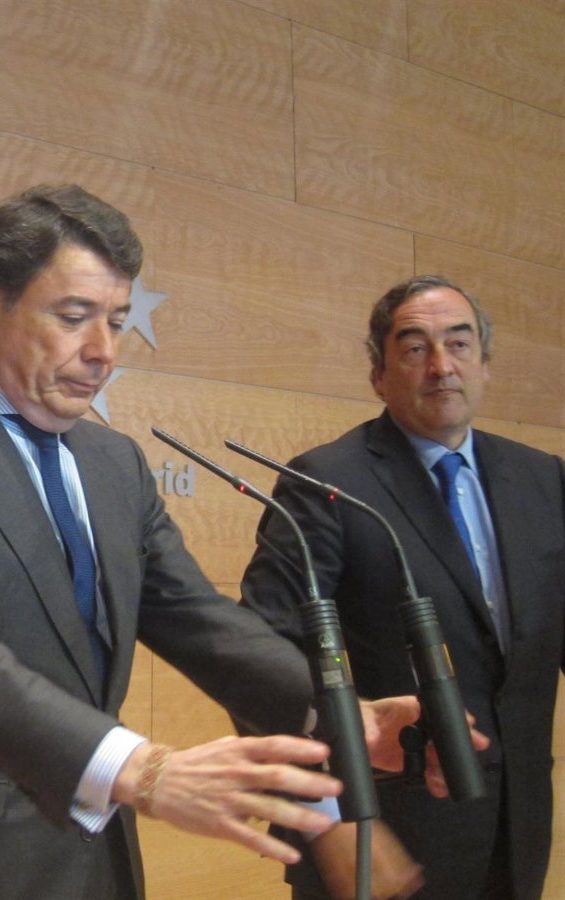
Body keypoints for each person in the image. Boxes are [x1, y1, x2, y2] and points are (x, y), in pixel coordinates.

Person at [0, 184, 435, 900]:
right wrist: (142, 769)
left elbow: (197, 619)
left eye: (116, 321)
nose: (103, 351)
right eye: (73, 317)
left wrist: (340, 712)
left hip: (100, 863)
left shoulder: (114, 463)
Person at [239, 275, 564, 899]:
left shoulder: (543, 479)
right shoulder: (326, 483)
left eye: (459, 344)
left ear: (485, 364)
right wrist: (321, 813)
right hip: (378, 837)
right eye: (416, 348)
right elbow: (260, 648)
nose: (442, 366)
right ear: (378, 374)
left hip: (516, 831)